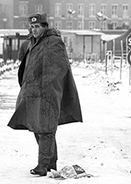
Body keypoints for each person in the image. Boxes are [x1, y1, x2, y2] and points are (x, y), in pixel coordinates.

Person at [8, 12, 83, 177]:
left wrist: (45, 84)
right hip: (32, 92)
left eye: (37, 27)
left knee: (46, 129)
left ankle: (43, 165)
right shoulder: (33, 42)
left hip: (47, 93)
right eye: (32, 27)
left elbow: (61, 66)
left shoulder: (53, 42)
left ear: (44, 27)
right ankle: (50, 163)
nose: (34, 30)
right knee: (37, 126)